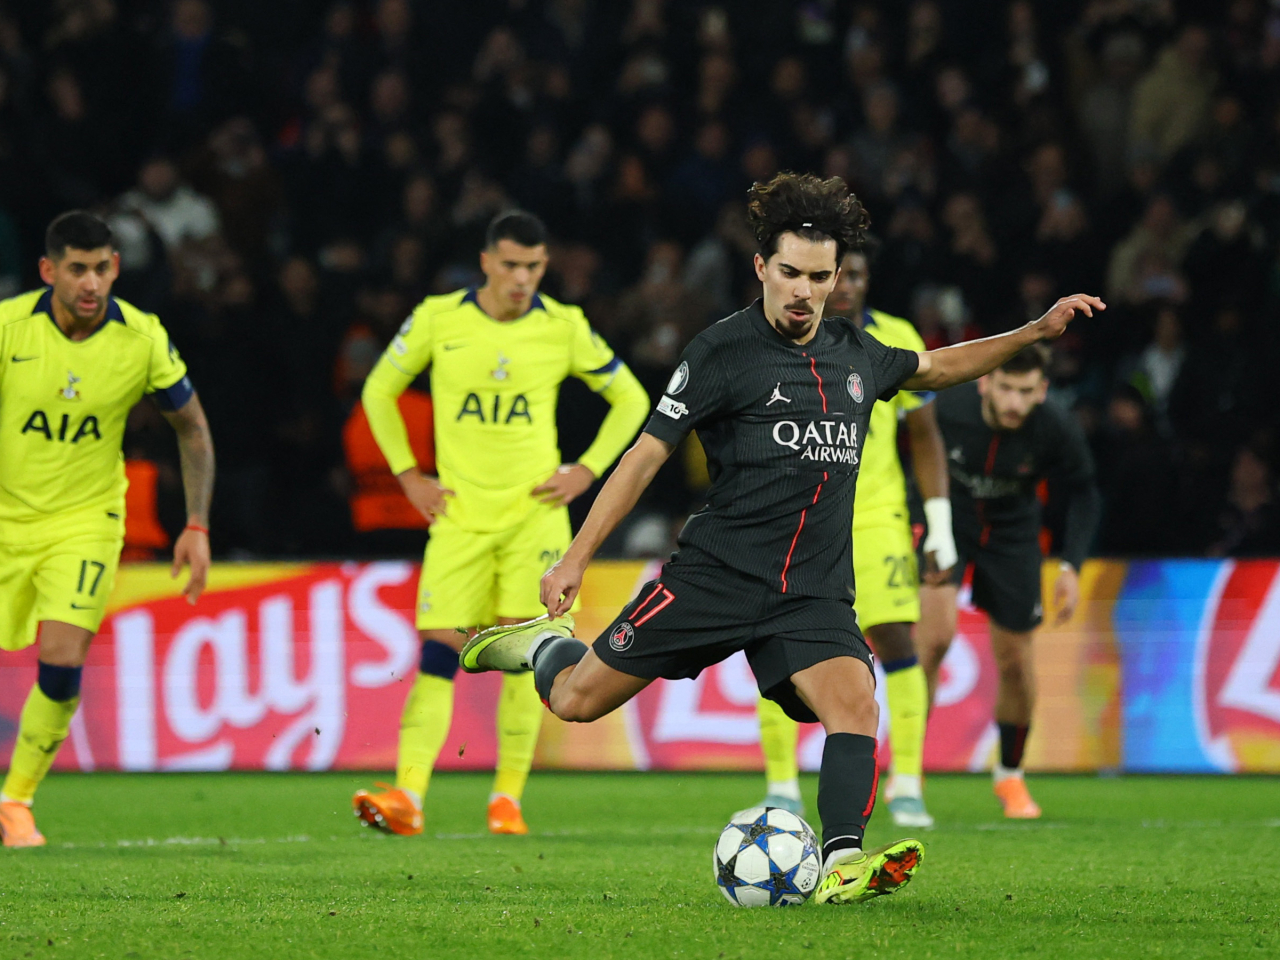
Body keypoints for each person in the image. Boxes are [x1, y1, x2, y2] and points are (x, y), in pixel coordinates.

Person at [459, 172, 1103, 903]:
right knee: (575, 703)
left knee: (857, 704)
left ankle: (840, 864)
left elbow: (939, 367)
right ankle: (545, 646)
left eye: (819, 277)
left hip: (812, 593)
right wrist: (577, 554)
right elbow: (645, 454)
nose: (803, 290)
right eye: (790, 273)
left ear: (838, 279)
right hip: (716, 575)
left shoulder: (858, 355)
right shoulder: (720, 352)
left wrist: (1033, 332)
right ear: (762, 267)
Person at [353, 210, 649, 836]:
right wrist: (408, 475)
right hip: (459, 517)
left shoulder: (562, 326)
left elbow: (632, 398)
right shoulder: (438, 318)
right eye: (511, 265)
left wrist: (587, 469)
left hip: (533, 519)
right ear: (486, 262)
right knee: (439, 649)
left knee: (527, 652)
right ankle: (408, 796)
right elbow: (378, 390)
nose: (522, 279)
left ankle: (506, 800)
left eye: (534, 267)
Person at [0, 211, 214, 847]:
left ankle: (15, 801)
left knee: (63, 661)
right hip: (5, 513)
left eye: (101, 268)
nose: (91, 283)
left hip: (85, 522)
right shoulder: (9, 328)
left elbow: (193, 428)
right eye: (77, 269)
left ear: (115, 267)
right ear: (48, 271)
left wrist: (196, 523)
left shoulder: (143, 339)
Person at [753, 239, 956, 830]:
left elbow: (925, 439)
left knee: (894, 638)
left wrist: (938, 526)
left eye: (853, 275)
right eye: (835, 277)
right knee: (776, 642)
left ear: (860, 278)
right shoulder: (783, 335)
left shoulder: (893, 338)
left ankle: (909, 782)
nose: (843, 287)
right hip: (798, 519)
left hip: (876, 518)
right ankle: (781, 785)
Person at [916, 344, 1101, 819]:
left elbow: (1084, 491)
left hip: (1013, 532)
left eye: (1026, 391)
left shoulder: (1055, 425)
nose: (1015, 402)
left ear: (1042, 390)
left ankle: (1011, 778)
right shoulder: (949, 406)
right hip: (947, 520)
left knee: (1017, 661)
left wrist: (1070, 566)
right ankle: (906, 773)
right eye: (1005, 389)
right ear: (984, 382)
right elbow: (908, 445)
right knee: (933, 641)